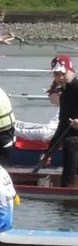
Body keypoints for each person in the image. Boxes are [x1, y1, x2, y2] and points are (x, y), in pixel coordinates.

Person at [40, 55, 78, 186]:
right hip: (71, 147)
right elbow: (62, 126)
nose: (59, 78)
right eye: (56, 74)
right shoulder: (64, 94)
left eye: (62, 73)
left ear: (71, 71)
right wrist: (48, 153)